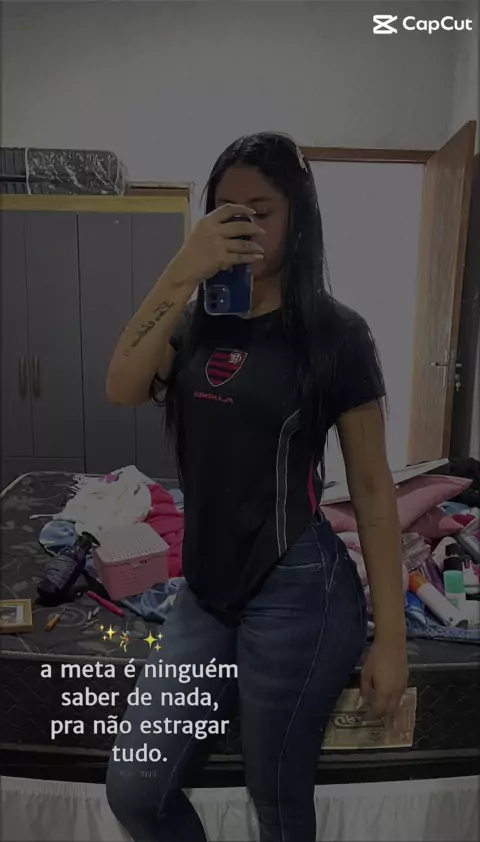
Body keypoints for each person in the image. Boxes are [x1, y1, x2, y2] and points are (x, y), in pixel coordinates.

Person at [105, 132, 408, 842]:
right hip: (204, 591)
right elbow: (122, 385)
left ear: (297, 216)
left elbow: (371, 490)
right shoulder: (193, 324)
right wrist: (180, 272)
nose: (242, 225)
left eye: (260, 211)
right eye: (225, 210)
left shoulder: (337, 334)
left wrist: (390, 639)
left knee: (275, 797)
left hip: (298, 587)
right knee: (136, 791)